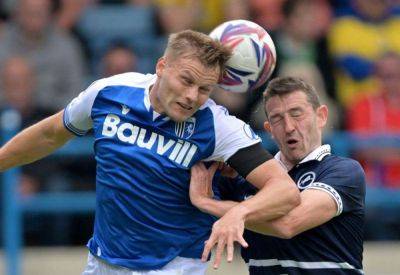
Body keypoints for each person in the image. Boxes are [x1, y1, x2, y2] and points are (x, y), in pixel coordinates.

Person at [0, 30, 300, 274]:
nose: (191, 96)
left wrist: (240, 212)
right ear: (161, 66)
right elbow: (51, 133)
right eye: (186, 80)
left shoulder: (219, 126)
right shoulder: (108, 93)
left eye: (204, 89)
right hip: (103, 262)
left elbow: (285, 191)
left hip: (173, 266)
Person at [190, 76, 366, 274]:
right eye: (277, 119)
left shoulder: (344, 171)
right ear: (269, 129)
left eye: (297, 114)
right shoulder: (245, 181)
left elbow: (288, 224)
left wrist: (209, 204)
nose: (289, 126)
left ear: (321, 116)